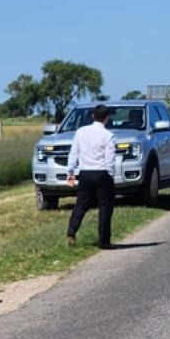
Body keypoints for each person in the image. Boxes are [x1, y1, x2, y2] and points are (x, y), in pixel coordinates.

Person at [66, 104, 117, 249]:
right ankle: (104, 240)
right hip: (102, 172)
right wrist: (110, 175)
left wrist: (70, 172)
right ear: (107, 118)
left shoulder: (81, 132)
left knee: (81, 204)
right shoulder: (108, 135)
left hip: (85, 172)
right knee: (105, 207)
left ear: (93, 116)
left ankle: (72, 230)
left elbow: (74, 153)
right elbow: (110, 158)